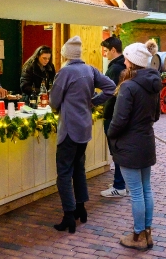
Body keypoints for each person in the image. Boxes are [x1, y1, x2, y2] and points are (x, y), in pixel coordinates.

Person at [49, 36, 116, 234]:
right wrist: (94, 101)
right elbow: (110, 87)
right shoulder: (90, 69)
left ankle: (69, 215)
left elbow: (54, 101)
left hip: (69, 129)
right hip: (85, 127)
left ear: (66, 55)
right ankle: (81, 208)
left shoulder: (65, 72)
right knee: (79, 168)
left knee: (63, 173)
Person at [107, 43, 161, 250]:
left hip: (129, 144)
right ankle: (147, 232)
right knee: (146, 189)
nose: (124, 61)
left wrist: (111, 134)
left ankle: (138, 236)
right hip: (146, 141)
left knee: (137, 192)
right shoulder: (153, 83)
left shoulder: (129, 86)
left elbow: (119, 120)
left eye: (126, 58)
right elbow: (155, 115)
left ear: (131, 62)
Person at [99, 36, 128, 198]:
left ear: (113, 50)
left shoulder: (114, 69)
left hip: (113, 114)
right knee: (120, 150)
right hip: (120, 113)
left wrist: (95, 102)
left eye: (105, 51)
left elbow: (108, 92)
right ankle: (122, 182)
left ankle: (119, 185)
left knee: (116, 151)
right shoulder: (123, 65)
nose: (104, 54)